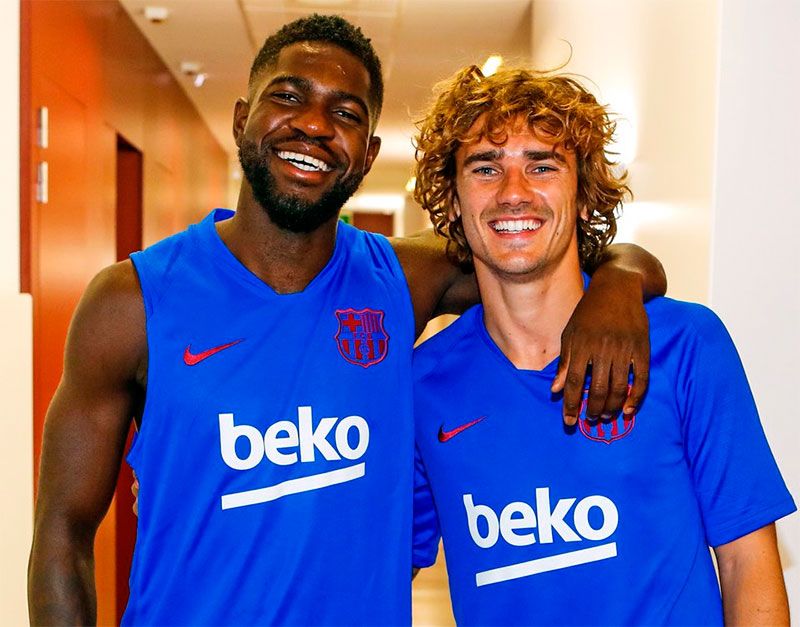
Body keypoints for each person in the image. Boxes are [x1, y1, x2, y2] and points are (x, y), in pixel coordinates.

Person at [28, 15, 667, 626]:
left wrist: (618, 284)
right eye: (288, 97)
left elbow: (548, 249)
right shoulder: (133, 300)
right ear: (243, 120)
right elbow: (62, 532)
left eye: (345, 114)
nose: (313, 125)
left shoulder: (402, 279)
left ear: (367, 154)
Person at [410, 65, 796, 626]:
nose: (513, 192)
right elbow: (378, 567)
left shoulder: (686, 344)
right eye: (486, 168)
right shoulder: (421, 386)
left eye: (542, 166)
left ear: (585, 197)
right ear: (451, 203)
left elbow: (747, 564)